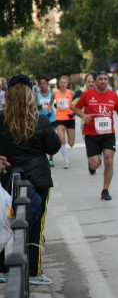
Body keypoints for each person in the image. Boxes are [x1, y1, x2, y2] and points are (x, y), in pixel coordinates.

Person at [0, 74, 61, 284]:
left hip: (6, 177)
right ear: (30, 93)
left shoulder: (1, 119)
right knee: (36, 225)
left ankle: (2, 269)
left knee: (4, 222)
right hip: (38, 179)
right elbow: (54, 147)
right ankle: (34, 272)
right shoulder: (40, 119)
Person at [70, 70, 118, 201]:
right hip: (91, 133)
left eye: (105, 79)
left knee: (109, 160)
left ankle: (105, 190)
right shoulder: (87, 94)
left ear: (108, 81)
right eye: (100, 79)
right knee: (94, 164)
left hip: (108, 133)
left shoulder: (113, 95)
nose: (103, 81)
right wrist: (83, 115)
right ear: (95, 81)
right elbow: (74, 107)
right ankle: (93, 162)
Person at [49, 75, 76, 168]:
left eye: (65, 82)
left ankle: (69, 149)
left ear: (67, 84)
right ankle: (66, 161)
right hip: (60, 118)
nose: (63, 84)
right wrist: (49, 111)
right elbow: (50, 103)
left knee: (71, 143)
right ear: (59, 84)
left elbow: (78, 104)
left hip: (70, 118)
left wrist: (74, 113)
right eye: (61, 82)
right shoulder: (55, 93)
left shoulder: (71, 93)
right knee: (61, 139)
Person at [36, 75, 56, 167]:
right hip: (40, 120)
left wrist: (52, 106)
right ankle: (42, 157)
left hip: (51, 119)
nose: (42, 85)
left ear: (47, 84)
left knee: (50, 138)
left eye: (44, 83)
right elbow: (32, 106)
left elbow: (56, 105)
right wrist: (38, 107)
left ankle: (51, 158)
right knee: (41, 139)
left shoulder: (52, 93)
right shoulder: (36, 94)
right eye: (40, 83)